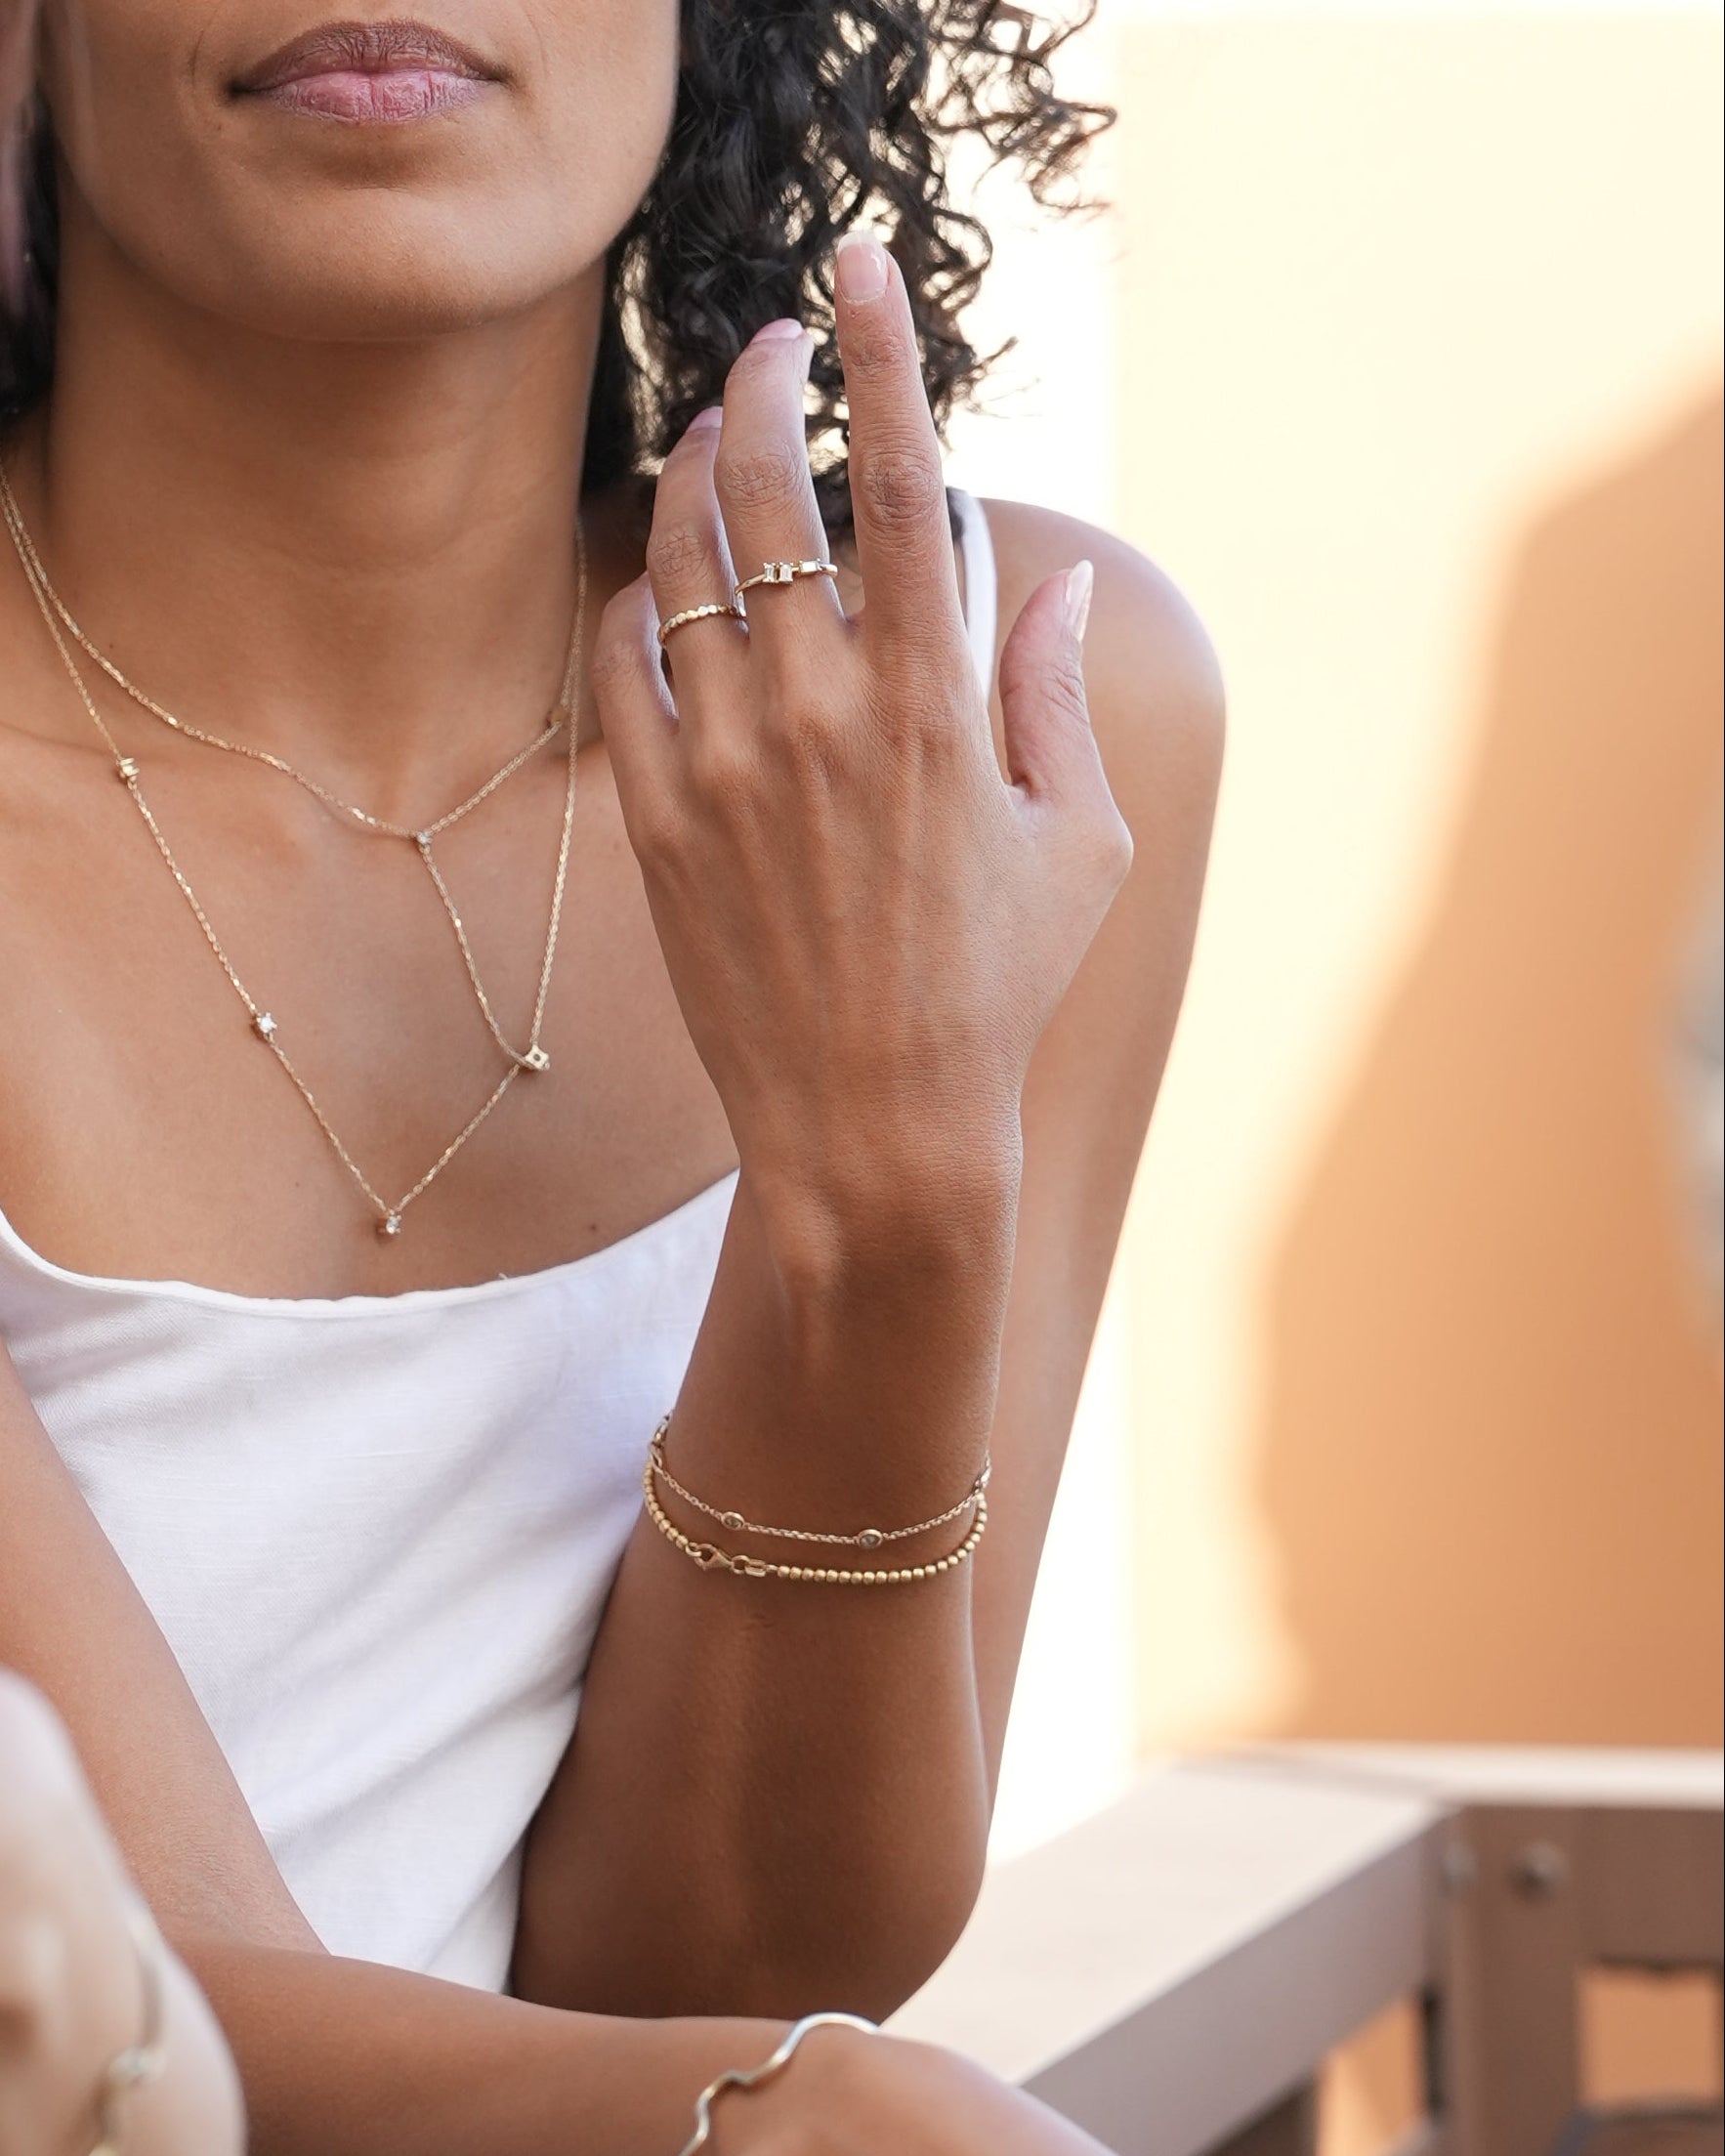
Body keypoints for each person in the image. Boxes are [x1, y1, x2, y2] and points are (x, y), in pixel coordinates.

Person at [0, 3, 1224, 2148]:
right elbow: (109, 2032)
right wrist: (832, 2126)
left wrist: (882, 1186)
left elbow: (715, 1974)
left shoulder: (989, 717)